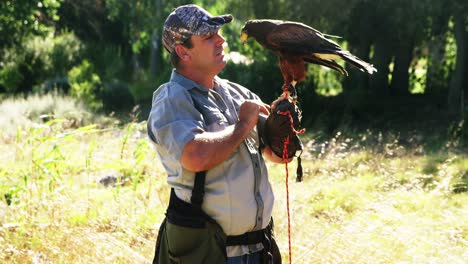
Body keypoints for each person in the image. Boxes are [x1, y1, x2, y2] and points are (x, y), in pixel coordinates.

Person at [147, 4, 285, 264]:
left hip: (260, 250)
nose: (221, 40)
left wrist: (284, 129)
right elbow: (194, 155)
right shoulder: (172, 98)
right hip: (208, 255)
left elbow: (276, 154)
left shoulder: (239, 94)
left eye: (218, 33)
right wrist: (243, 126)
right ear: (182, 51)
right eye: (209, 37)